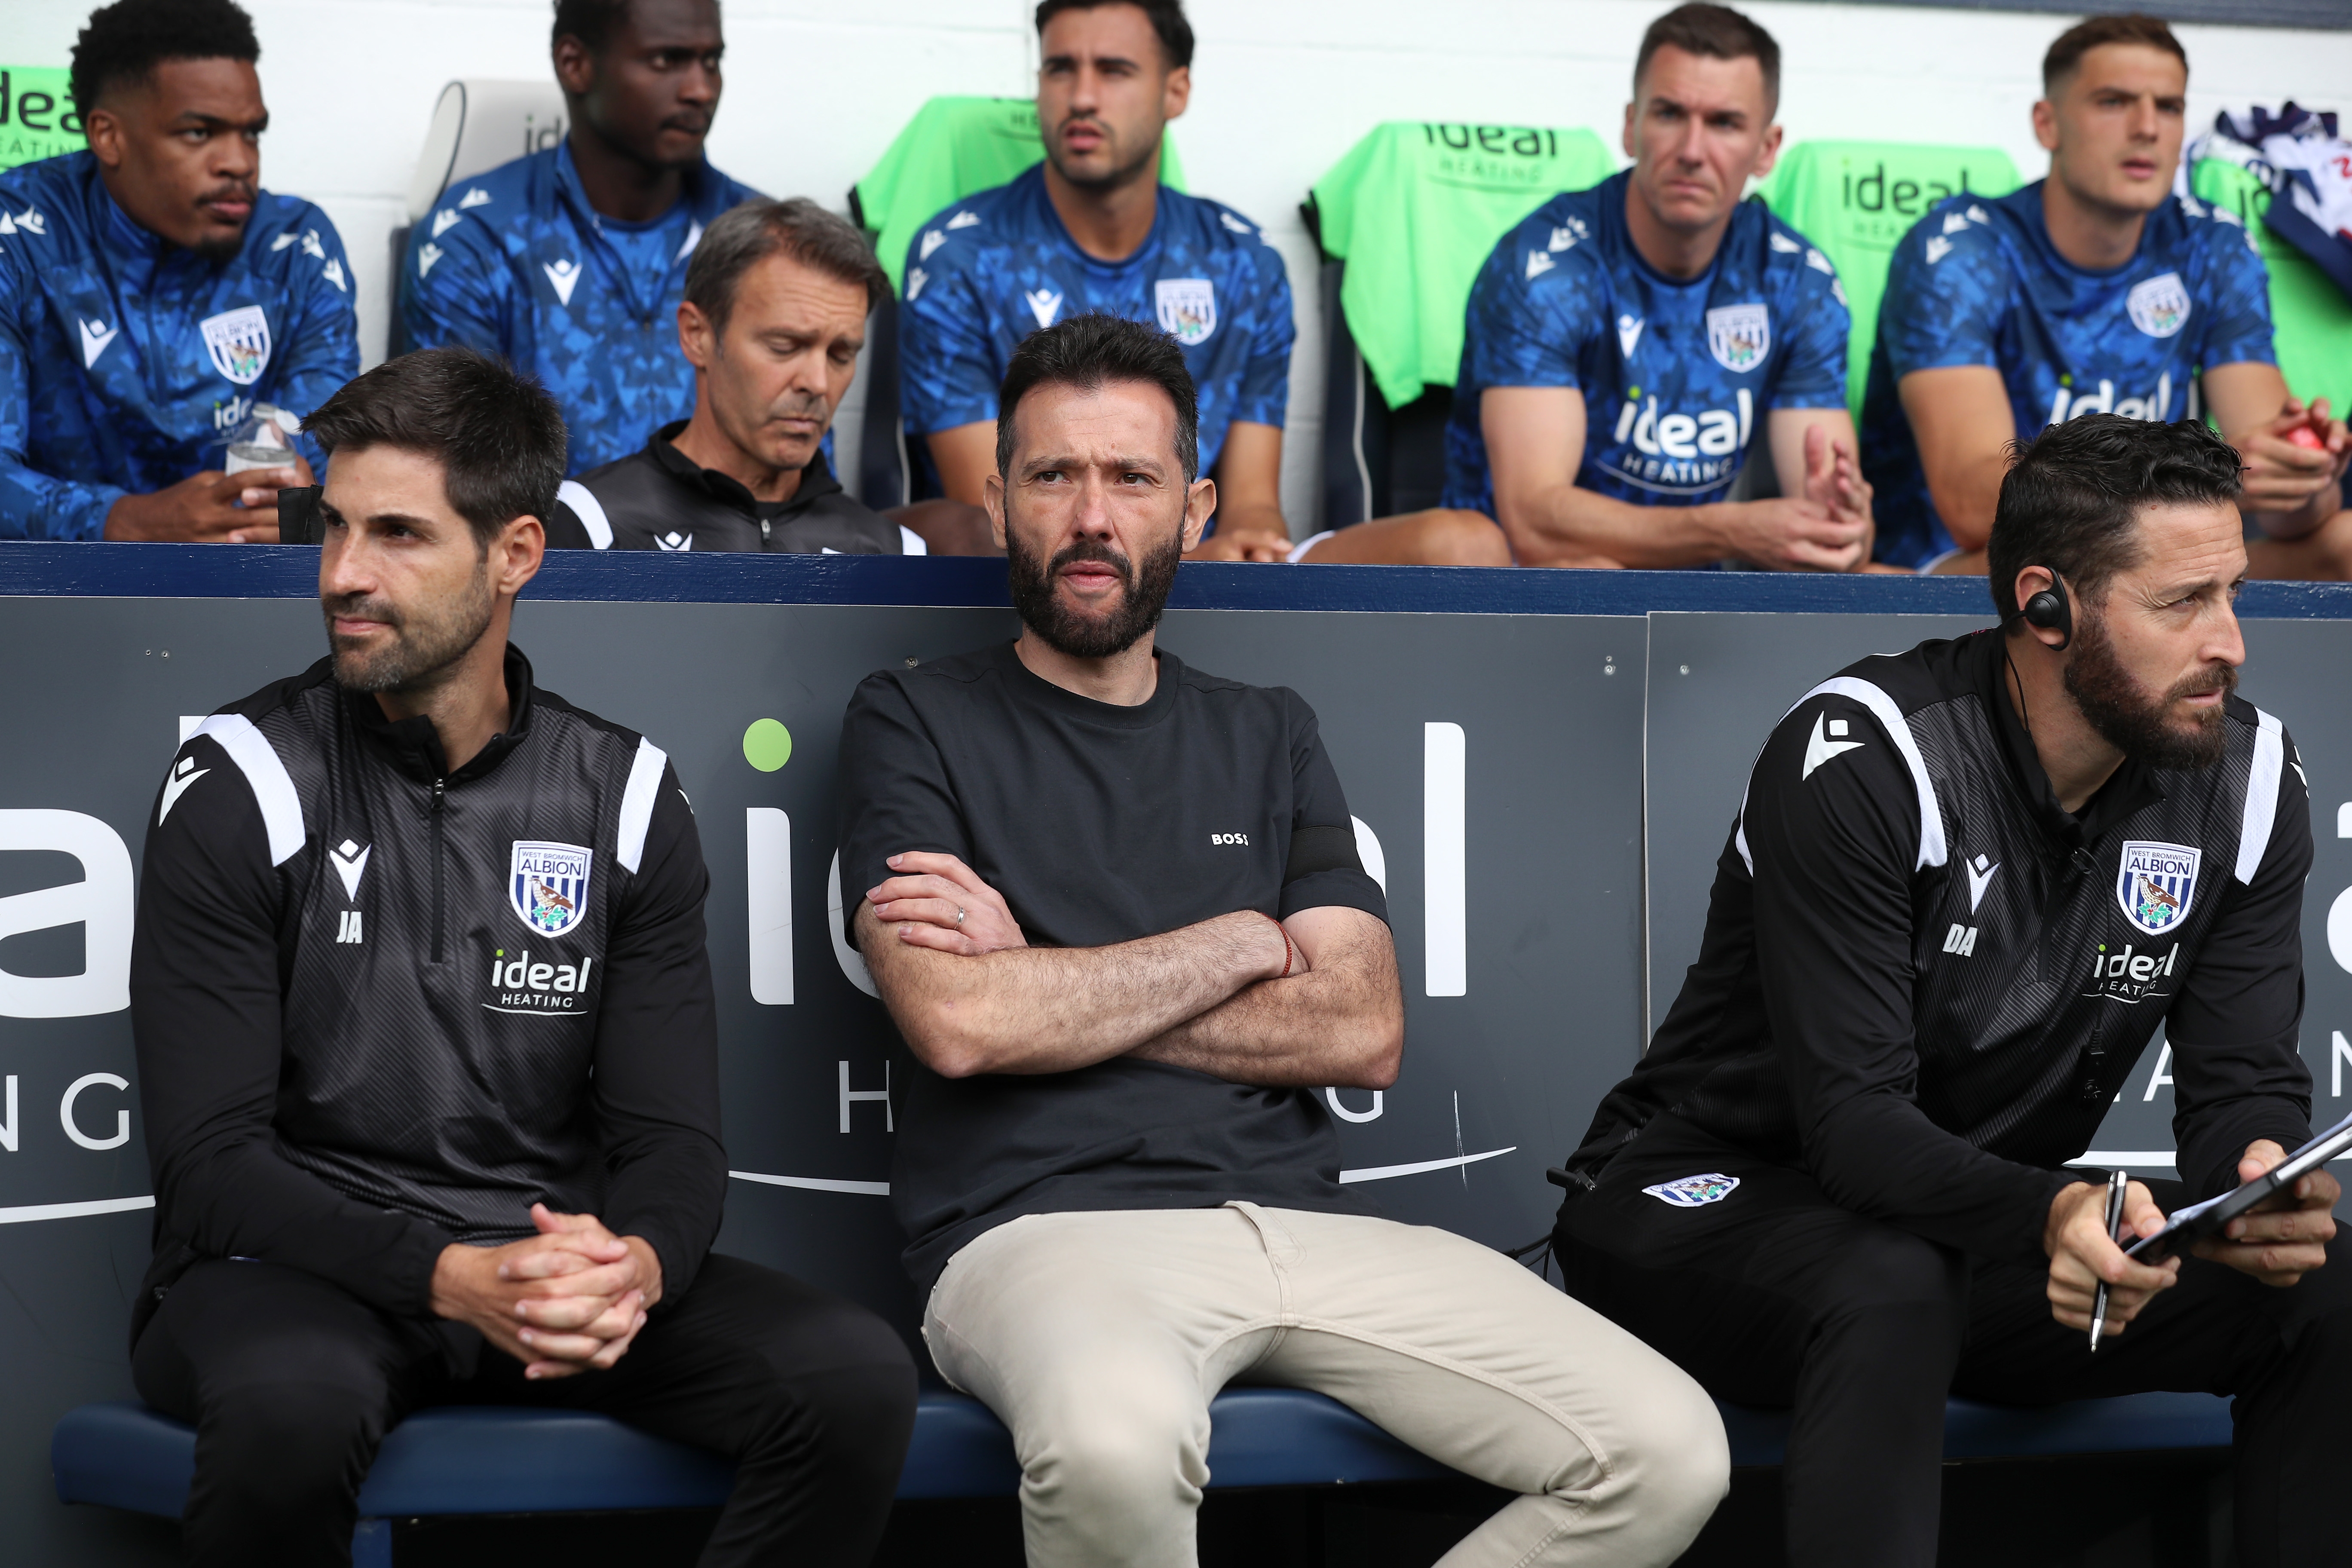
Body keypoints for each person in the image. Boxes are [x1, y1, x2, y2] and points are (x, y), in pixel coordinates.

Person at [838, 312, 1728, 1568]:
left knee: (1665, 1448)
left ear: (1196, 506)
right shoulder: (912, 715)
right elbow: (963, 1022)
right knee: (1112, 1448)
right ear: (998, 498)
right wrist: (1242, 937)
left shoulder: (1269, 729)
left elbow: (1360, 1031)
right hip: (1037, 1232)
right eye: (1054, 474)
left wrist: (1045, 968)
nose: (1093, 515)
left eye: (1132, 477)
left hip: (1310, 1228)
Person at [128, 347, 916, 1567]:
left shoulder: (626, 795)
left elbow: (676, 1143)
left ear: (516, 555)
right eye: (333, 528)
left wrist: (634, 1266)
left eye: (398, 535)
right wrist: (449, 1274)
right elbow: (210, 1165)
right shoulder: (242, 780)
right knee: (292, 1407)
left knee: (850, 1377)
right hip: (290, 1273)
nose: (344, 574)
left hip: (542, 1263)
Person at [1552, 413, 2346, 1568]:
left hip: (1967, 1234)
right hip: (1700, 1200)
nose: (2229, 643)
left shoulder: (2252, 779)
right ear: (2046, 605)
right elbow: (1857, 1132)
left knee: (2327, 1293)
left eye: (2234, 594)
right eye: (2182, 604)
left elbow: (2241, 1081)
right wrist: (2056, 1213)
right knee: (1893, 1277)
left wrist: (2254, 1179)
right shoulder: (1868, 754)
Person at [897, 0, 1504, 567]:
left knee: (1461, 545)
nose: (1082, 97)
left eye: (1114, 71)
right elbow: (1010, 520)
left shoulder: (1242, 258)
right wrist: (1186, 563)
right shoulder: (957, 256)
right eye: (1060, 69)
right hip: (1050, 570)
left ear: (1176, 90)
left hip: (1204, 570)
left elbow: (1253, 501)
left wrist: (1248, 547)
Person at [1863, 13, 2352, 576]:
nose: (2148, 127)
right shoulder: (1959, 250)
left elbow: (2292, 509)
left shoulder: (2211, 243)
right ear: (2047, 124)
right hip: (1981, 567)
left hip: (2155, 559)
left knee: (2342, 541)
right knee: (2097, 565)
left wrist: (2301, 475)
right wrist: (2204, 477)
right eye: (2114, 102)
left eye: (2168, 107)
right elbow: (1979, 509)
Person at [1445, 3, 1872, 571]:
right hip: (1519, 595)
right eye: (1670, 114)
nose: (1692, 151)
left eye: (1725, 123)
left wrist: (1842, 528)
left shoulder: (1798, 281)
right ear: (1631, 126)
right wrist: (1729, 530)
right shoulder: (1547, 269)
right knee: (1592, 575)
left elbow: (1843, 546)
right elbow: (1534, 524)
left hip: (1687, 606)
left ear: (1767, 149)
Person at [0, 0, 353, 542]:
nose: (239, 162)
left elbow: (332, 464)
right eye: (198, 133)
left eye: (251, 133)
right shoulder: (18, 237)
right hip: (47, 601)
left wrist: (302, 505)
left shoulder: (293, 248)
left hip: (248, 599)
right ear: (108, 136)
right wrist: (123, 521)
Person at [398, 0, 760, 476]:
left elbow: (805, 489)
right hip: (546, 548)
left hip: (731, 548)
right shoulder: (474, 236)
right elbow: (459, 477)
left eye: (711, 62)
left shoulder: (763, 242)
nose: (700, 89)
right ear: (575, 65)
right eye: (666, 61)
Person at [545, 197, 941, 555]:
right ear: (696, 335)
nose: (818, 383)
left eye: (842, 354)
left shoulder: (896, 554)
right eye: (785, 346)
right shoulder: (585, 525)